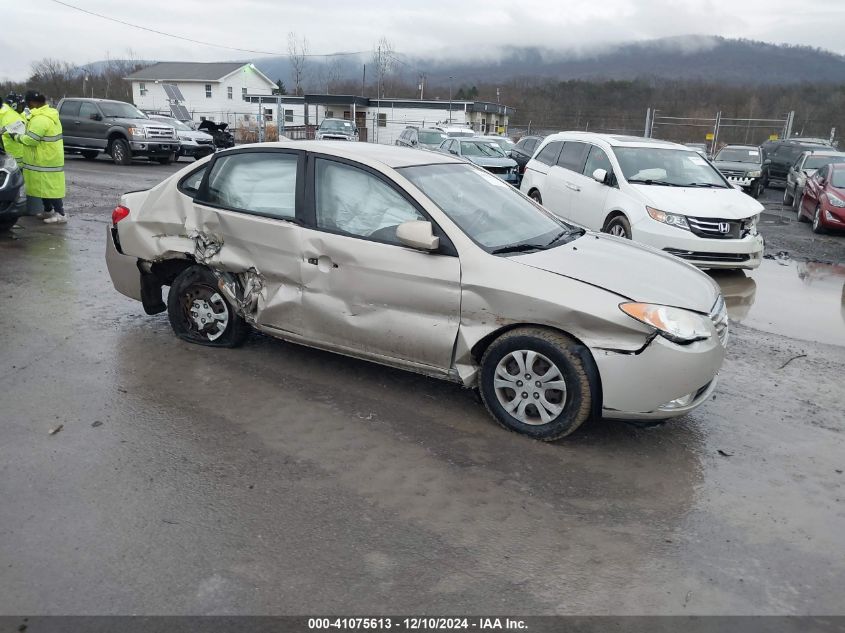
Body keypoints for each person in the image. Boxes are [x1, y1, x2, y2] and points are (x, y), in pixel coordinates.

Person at [17, 90, 66, 224]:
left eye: (28, 103)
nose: (28, 106)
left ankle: (60, 213)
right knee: (44, 187)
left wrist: (17, 137)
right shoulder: (48, 115)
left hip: (45, 159)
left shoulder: (40, 119)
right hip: (48, 157)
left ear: (32, 103)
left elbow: (32, 140)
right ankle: (48, 210)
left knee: (51, 188)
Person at [0, 93, 25, 161]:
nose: (22, 108)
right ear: (13, 105)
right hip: (16, 155)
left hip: (10, 154)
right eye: (20, 106)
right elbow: (23, 134)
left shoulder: (6, 112)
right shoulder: (11, 116)